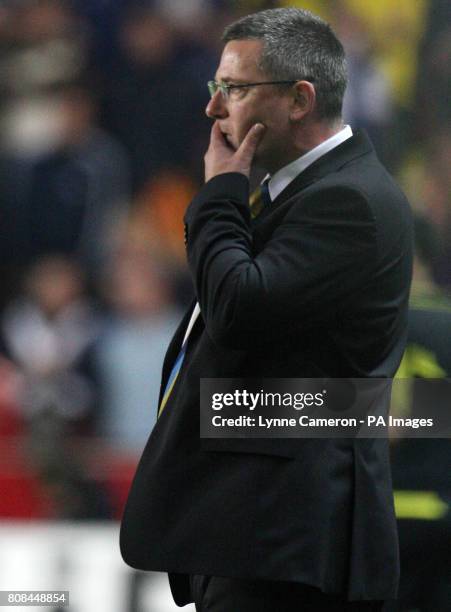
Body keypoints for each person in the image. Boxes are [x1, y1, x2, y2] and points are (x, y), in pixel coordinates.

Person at [120, 8, 413, 611]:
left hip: (288, 545)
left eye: (233, 88)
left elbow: (237, 307)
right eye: (215, 87)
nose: (213, 108)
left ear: (300, 99)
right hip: (258, 534)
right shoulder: (305, 191)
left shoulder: (348, 200)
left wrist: (219, 193)